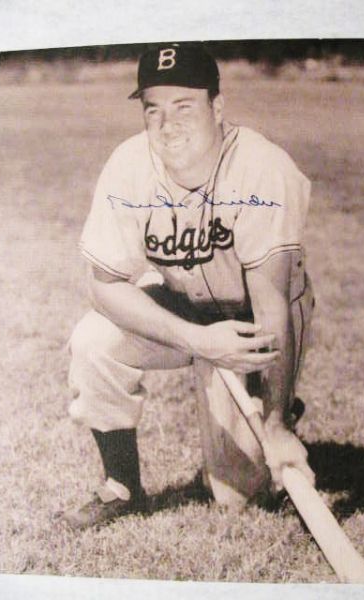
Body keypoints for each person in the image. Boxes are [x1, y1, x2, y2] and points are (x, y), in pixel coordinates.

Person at [63, 42, 316, 529]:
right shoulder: (129, 165)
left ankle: (276, 410)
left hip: (255, 319)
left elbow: (272, 307)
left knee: (237, 496)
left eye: (184, 106)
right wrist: (198, 340)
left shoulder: (263, 168)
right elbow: (104, 287)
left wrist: (276, 424)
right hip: (183, 307)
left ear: (217, 108)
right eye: (153, 109)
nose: (166, 123)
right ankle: (121, 486)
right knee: (92, 342)